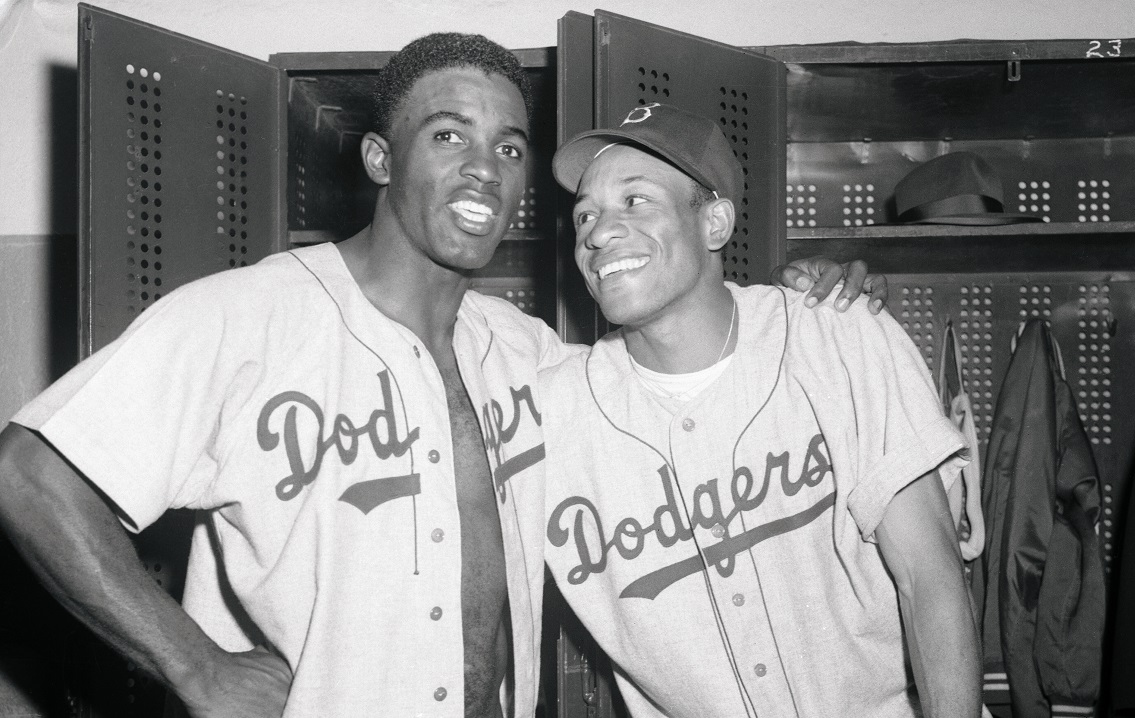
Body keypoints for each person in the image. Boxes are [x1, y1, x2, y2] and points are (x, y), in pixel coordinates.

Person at [0, 34, 884, 718]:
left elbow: (681, 370)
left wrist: (802, 299)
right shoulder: (245, 320)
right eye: (448, 135)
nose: (482, 170)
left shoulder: (528, 356)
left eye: (507, 148)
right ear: (383, 159)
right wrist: (195, 667)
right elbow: (29, 473)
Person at [539, 103, 980, 717]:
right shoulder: (553, 408)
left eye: (635, 200)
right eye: (585, 213)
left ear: (714, 223)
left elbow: (930, 582)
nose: (597, 231)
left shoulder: (837, 337)